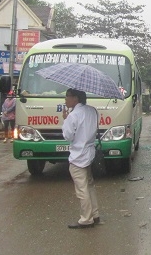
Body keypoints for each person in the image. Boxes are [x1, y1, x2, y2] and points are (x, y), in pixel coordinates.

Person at [62, 88, 100, 229]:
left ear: (75, 98)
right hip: (89, 153)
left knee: (82, 188)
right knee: (89, 185)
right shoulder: (92, 111)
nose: (65, 99)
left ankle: (86, 219)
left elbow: (68, 136)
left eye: (67, 96)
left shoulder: (73, 115)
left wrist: (66, 120)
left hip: (78, 155)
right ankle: (95, 214)